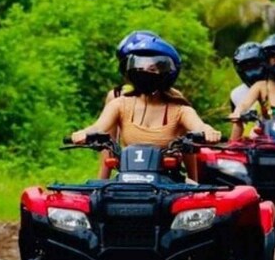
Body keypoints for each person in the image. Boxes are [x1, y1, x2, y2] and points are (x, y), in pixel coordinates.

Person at [72, 37, 221, 174]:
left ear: (167, 73)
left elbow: (199, 126)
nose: (145, 73)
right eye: (140, 68)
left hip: (169, 183)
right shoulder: (119, 104)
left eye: (152, 69)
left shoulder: (180, 110)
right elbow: (98, 127)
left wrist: (208, 131)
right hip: (128, 179)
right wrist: (84, 133)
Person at [97, 30, 159, 178]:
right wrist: (101, 183)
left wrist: (194, 181)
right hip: (131, 169)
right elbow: (108, 143)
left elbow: (187, 145)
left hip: (165, 169)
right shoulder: (116, 97)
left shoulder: (171, 96)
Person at [229, 41, 267, 111]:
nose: (253, 73)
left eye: (255, 65)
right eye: (246, 67)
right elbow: (235, 119)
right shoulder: (236, 94)